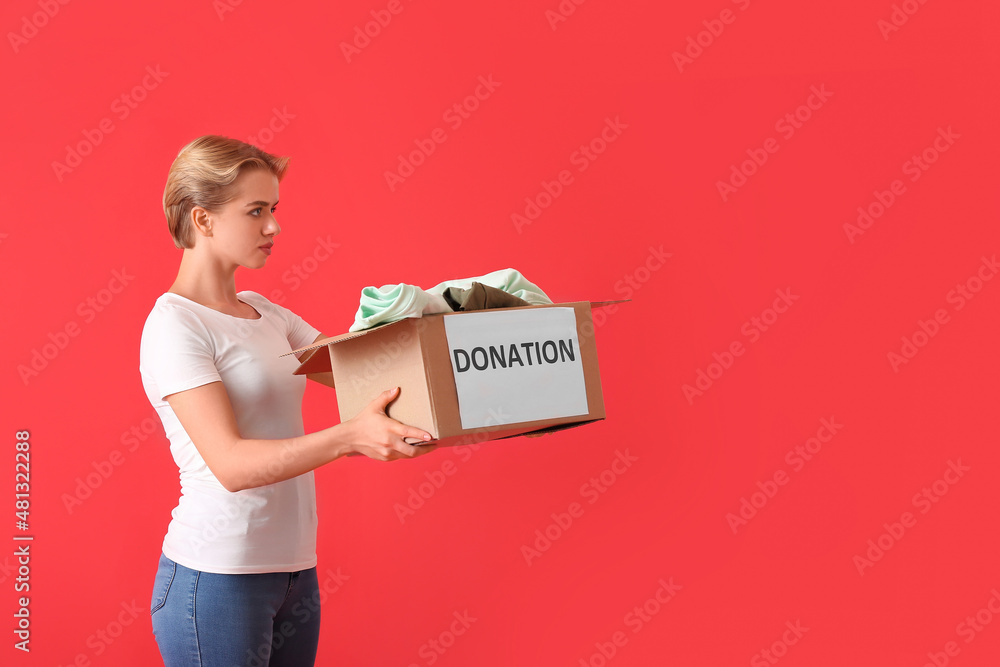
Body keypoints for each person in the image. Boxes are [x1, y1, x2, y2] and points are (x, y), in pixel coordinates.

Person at [139, 135, 438, 666]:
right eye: (256, 211)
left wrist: (445, 324)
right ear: (203, 220)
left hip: (294, 571)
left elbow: (364, 371)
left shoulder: (264, 312)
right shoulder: (174, 325)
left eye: (273, 209)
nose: (274, 227)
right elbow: (230, 464)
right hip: (217, 577)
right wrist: (351, 437)